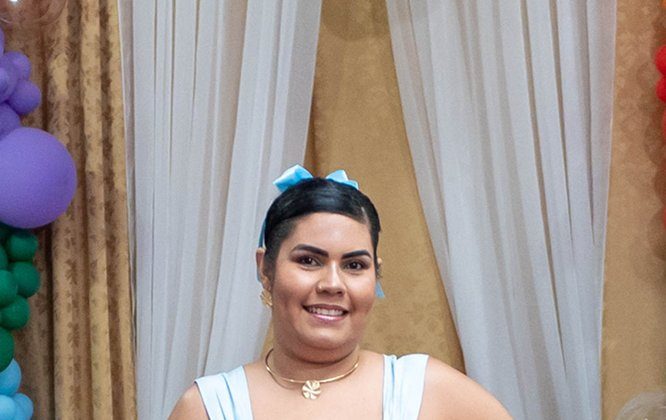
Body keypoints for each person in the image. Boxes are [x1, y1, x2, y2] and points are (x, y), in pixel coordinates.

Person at [170, 165, 511, 419]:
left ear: (375, 273)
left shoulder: (427, 391)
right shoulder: (208, 407)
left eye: (354, 265)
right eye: (308, 260)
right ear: (265, 268)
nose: (332, 284)